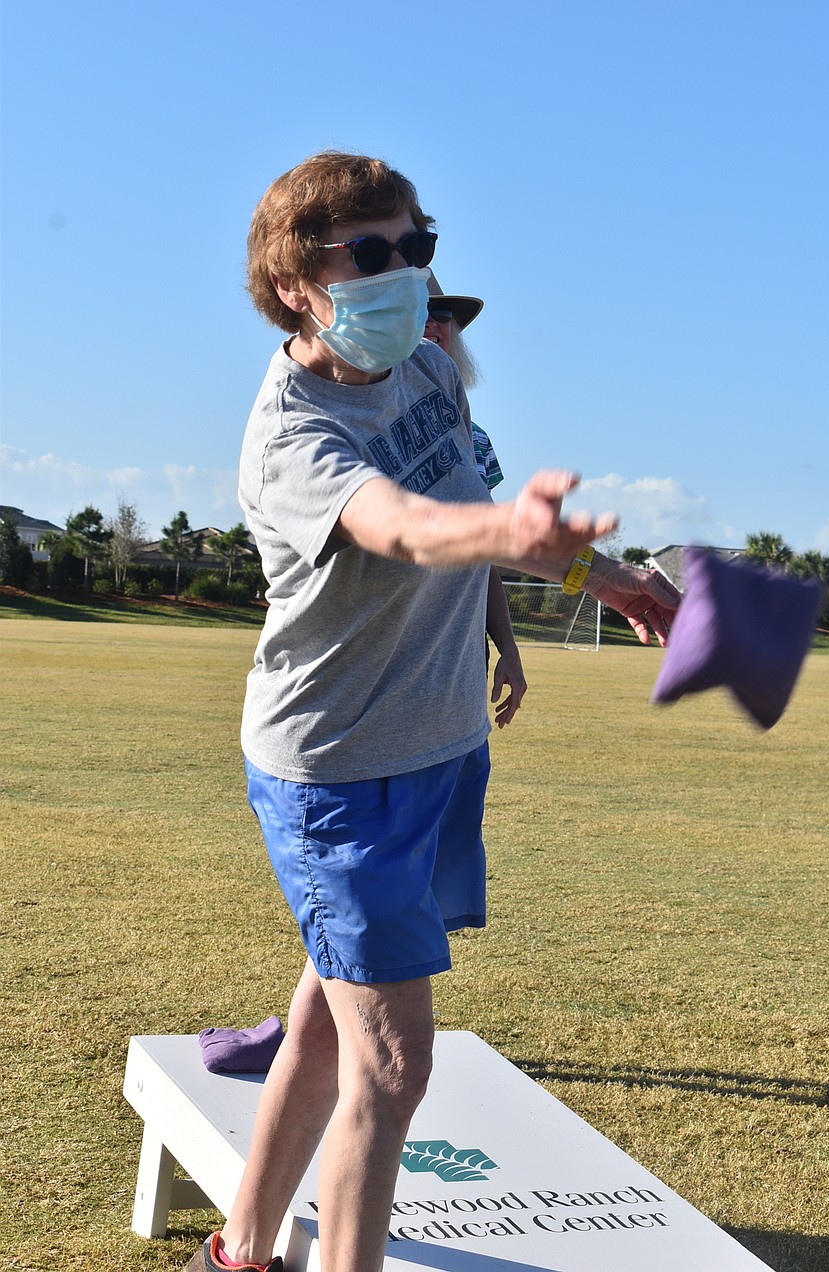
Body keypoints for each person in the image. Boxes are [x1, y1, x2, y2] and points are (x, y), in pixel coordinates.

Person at [187, 150, 680, 1272]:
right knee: (395, 1066)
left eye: (418, 246)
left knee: (323, 1026)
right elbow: (406, 526)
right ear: (295, 285)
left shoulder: (425, 367)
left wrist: (600, 581)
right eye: (371, 254)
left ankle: (239, 1252)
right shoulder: (289, 438)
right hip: (339, 778)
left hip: (440, 743)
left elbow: (464, 506)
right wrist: (515, 537)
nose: (404, 273)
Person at [424, 286, 527, 726]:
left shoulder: (477, 438)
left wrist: (507, 646)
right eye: (416, 312)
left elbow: (481, 558)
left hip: (465, 664)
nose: (432, 323)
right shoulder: (359, 419)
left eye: (443, 315)